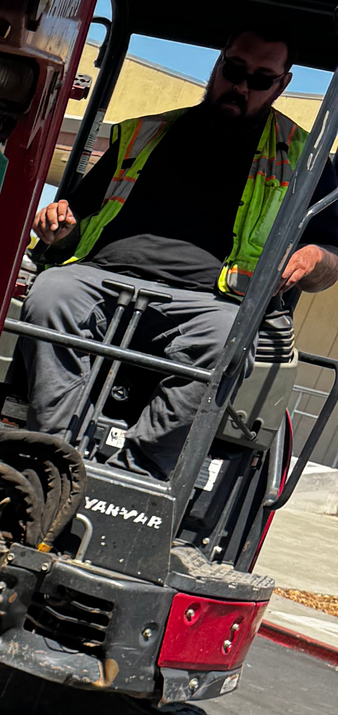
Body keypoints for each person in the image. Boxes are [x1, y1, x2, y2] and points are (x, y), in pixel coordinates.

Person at [19, 29, 338, 477]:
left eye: (261, 80)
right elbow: (74, 223)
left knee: (229, 336)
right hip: (100, 280)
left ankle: (140, 471)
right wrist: (57, 229)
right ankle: (51, 456)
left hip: (211, 303)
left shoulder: (306, 160)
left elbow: (330, 256)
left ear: (281, 85)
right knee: (50, 293)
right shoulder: (141, 134)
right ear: (218, 63)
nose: (242, 87)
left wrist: (312, 260)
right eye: (235, 71)